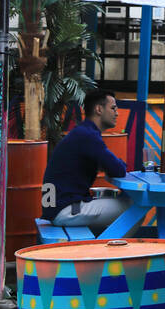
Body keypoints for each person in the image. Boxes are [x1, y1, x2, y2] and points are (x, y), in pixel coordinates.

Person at [43, 89, 131, 231]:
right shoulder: (88, 136)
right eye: (113, 108)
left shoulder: (82, 132)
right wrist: (117, 163)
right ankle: (115, 251)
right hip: (64, 210)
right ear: (98, 109)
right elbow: (118, 170)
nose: (117, 113)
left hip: (54, 208)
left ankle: (108, 248)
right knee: (132, 208)